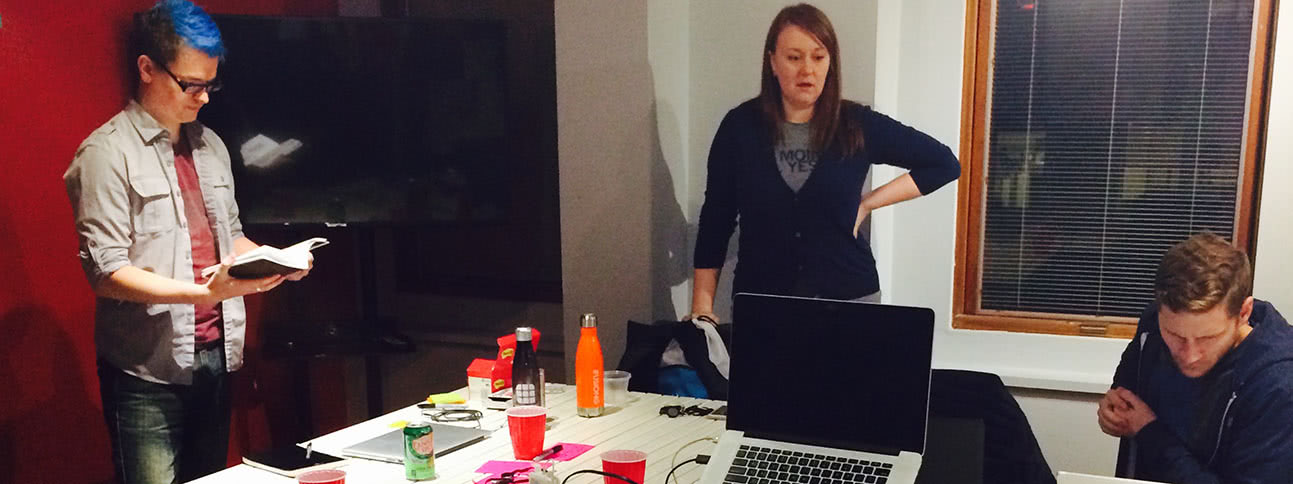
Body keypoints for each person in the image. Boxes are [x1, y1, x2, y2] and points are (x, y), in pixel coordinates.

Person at [63, 1, 309, 482]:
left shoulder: (211, 145)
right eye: (191, 84)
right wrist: (203, 293)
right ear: (148, 68)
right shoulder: (105, 153)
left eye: (210, 85)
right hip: (145, 373)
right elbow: (108, 275)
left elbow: (229, 237)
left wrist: (274, 262)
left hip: (216, 357)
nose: (204, 98)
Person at [689, 3, 961, 322]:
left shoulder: (857, 124)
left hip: (850, 301)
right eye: (794, 57)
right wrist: (702, 308)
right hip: (763, 305)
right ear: (772, 61)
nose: (808, 69)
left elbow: (944, 164)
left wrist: (868, 203)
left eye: (818, 57)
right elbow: (716, 219)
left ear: (830, 62)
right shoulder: (740, 128)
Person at [1099, 232, 1293, 483]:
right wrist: (1114, 414)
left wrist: (1148, 432)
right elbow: (1124, 396)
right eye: (1175, 336)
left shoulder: (1279, 384)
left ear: (1244, 312)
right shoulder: (1152, 327)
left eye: (1208, 338)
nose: (1190, 356)